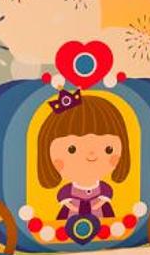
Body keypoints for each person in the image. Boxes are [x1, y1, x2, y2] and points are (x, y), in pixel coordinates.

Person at [33, 89, 132, 243]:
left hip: (101, 216)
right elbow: (64, 199)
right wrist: (73, 207)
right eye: (72, 149)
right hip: (72, 217)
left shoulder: (103, 188)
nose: (91, 155)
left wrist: (99, 203)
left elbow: (106, 196)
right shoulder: (68, 191)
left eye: (108, 149)